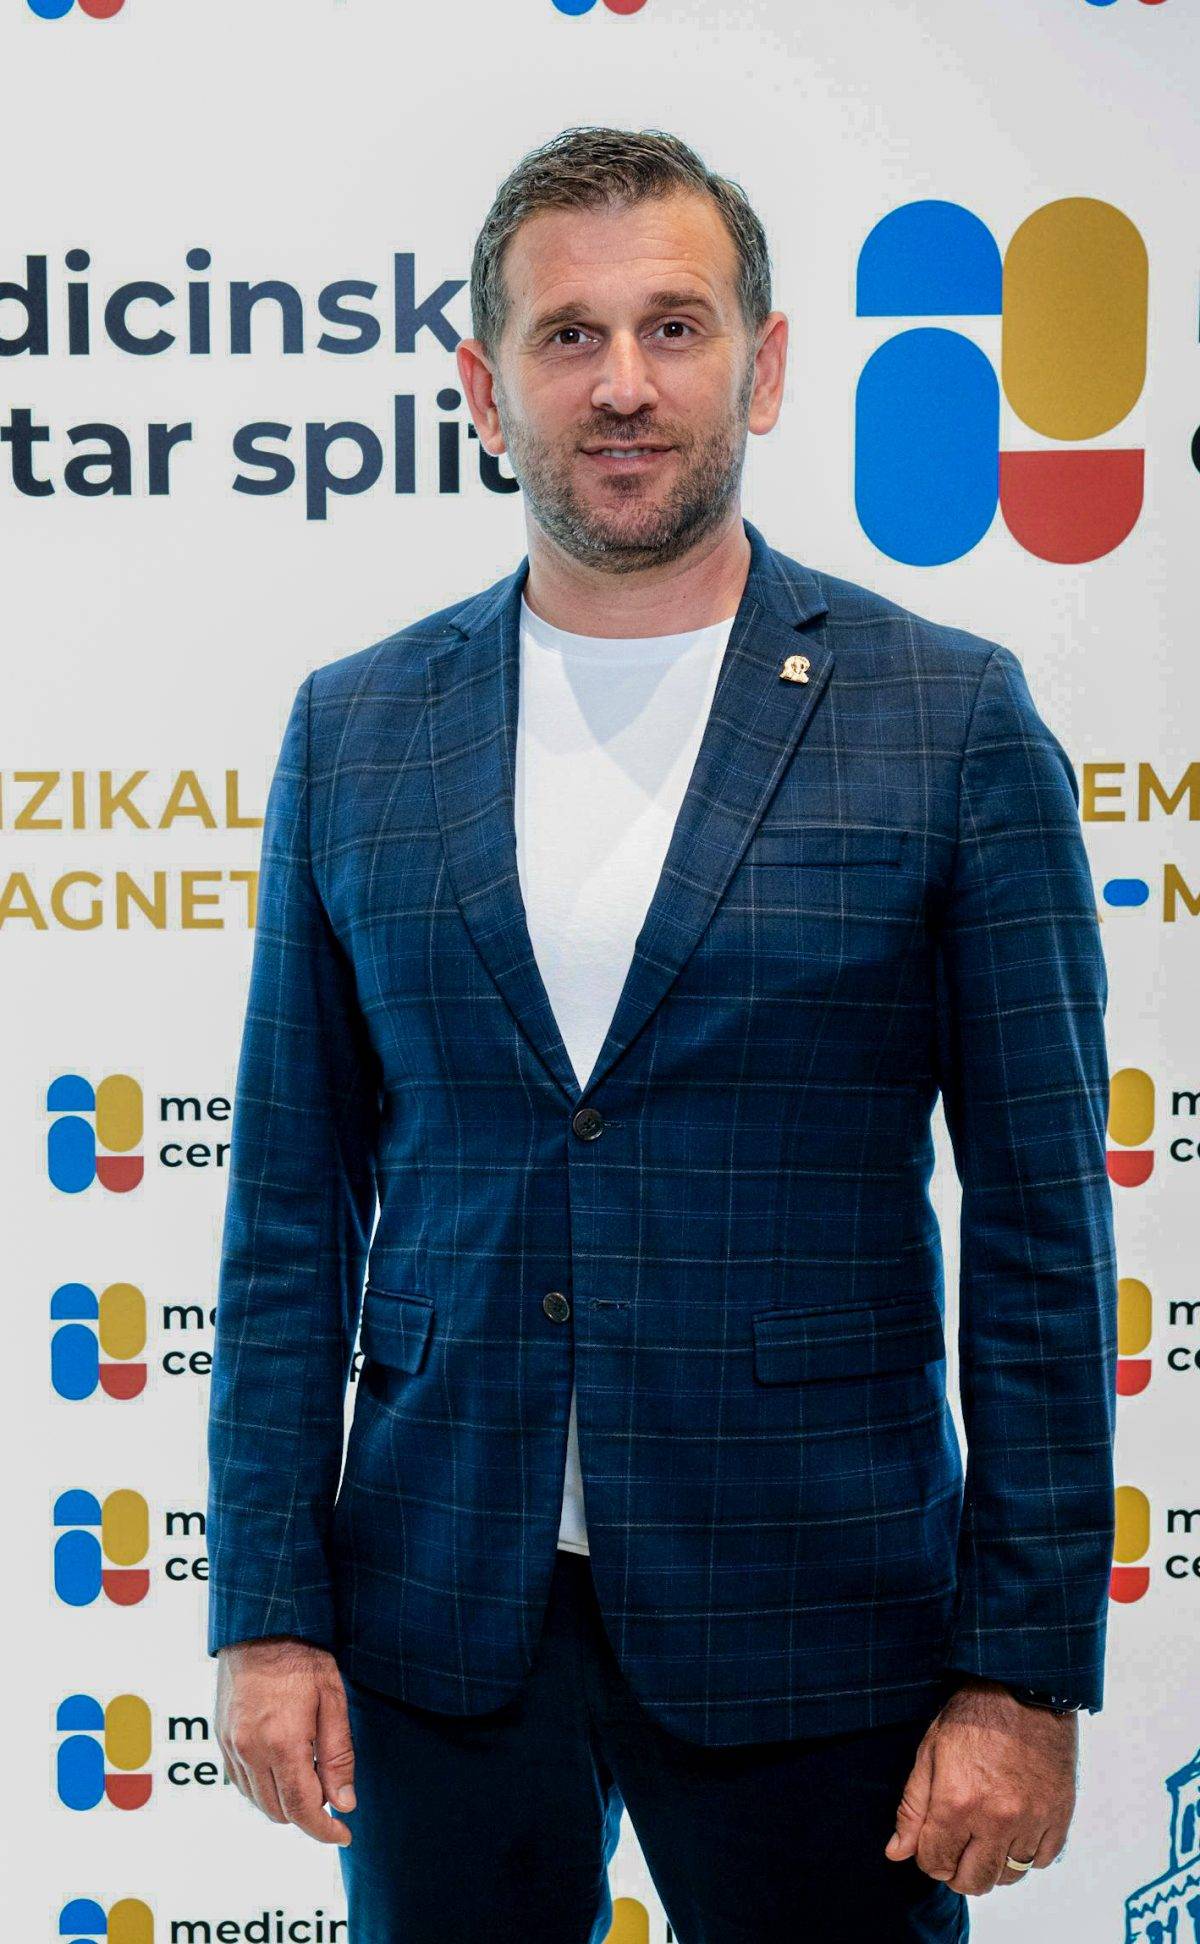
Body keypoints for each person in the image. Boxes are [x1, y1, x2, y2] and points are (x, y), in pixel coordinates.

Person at [205, 125, 1118, 1943]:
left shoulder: (947, 720)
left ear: (762, 367)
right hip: (437, 1615)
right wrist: (267, 1614)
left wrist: (1023, 1671)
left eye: (673, 327)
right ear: (485, 390)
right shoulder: (357, 727)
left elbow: (1042, 1233)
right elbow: (289, 1212)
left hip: (820, 1609)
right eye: (568, 336)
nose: (622, 383)